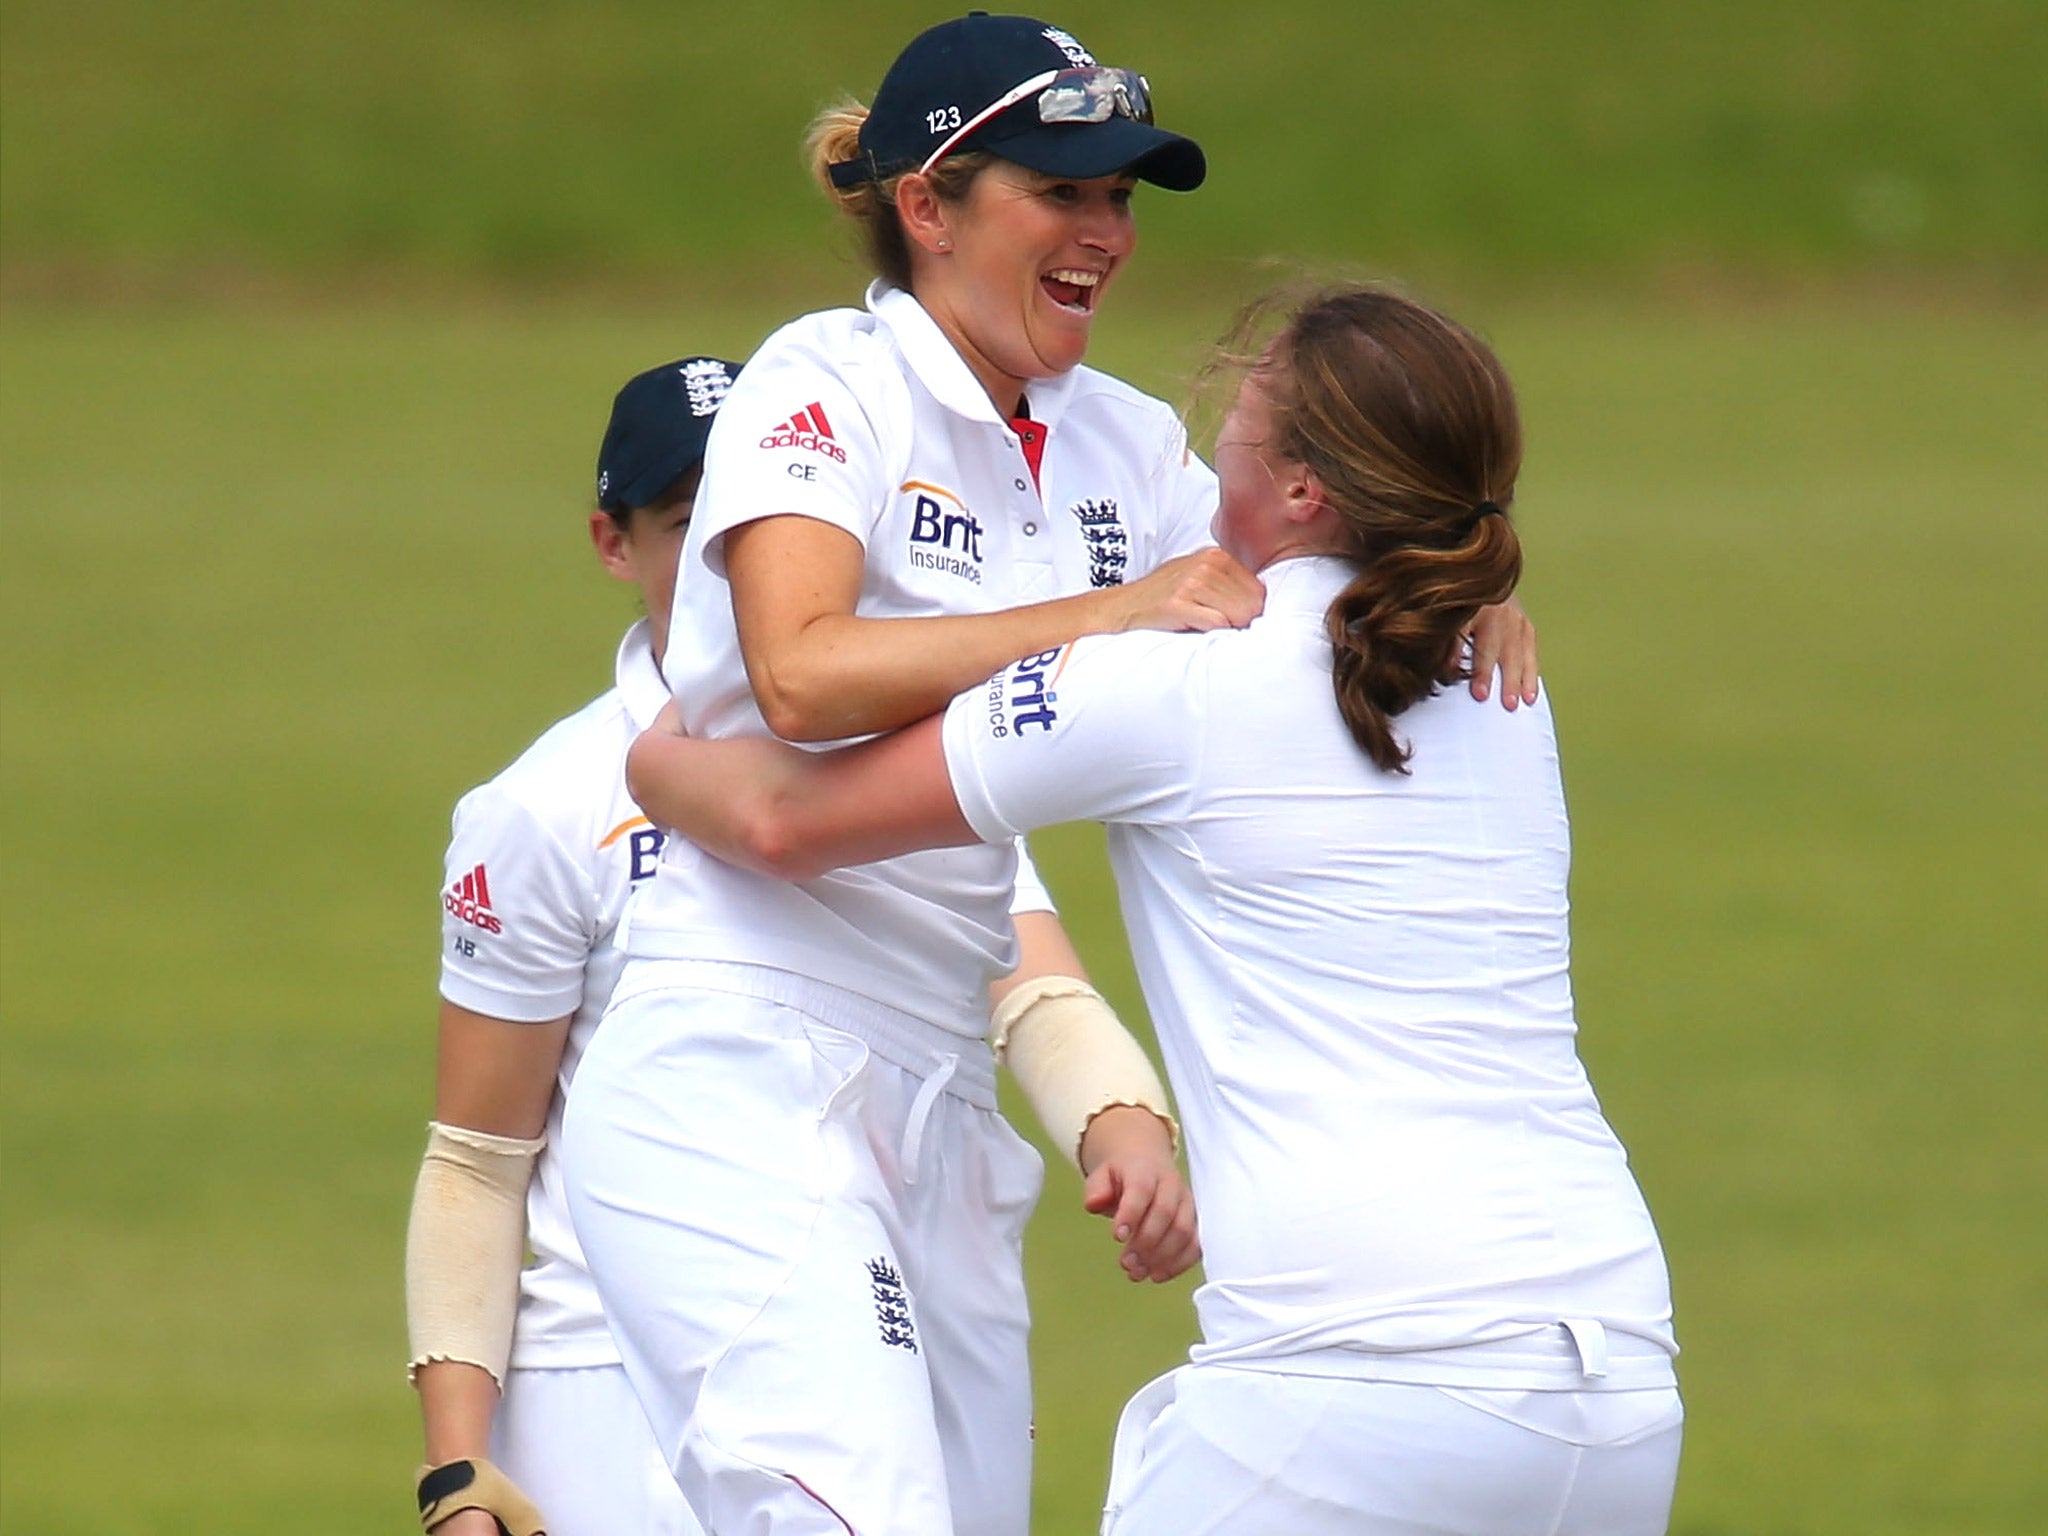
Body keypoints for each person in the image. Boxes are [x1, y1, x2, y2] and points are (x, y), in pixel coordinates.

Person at [560, 15, 1537, 1536]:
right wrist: (1109, 610)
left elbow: (1278, 602)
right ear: (930, 204)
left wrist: (1457, 577)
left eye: (1123, 199)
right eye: (1062, 193)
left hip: (947, 1074)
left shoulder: (1130, 444)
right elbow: (799, 671)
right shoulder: (825, 384)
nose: (1106, 237)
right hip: (735, 1052)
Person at [624, 284, 1683, 1536]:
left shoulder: (1173, 678)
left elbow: (781, 822)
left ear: (1299, 489)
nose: (1206, 428)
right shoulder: (1498, 679)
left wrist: (650, 754)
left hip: (1357, 1383)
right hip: (1615, 1380)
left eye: (1242, 403)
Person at [403, 357, 741, 1536]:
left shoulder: (907, 751)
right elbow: (479, 1158)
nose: (729, 568)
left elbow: (1028, 978)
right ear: (614, 542)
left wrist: (1116, 1117)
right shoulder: (544, 808)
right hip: (610, 1385)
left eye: (762, 522)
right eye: (692, 527)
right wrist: (458, 1477)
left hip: (870, 1331)